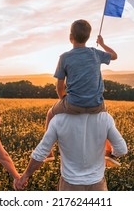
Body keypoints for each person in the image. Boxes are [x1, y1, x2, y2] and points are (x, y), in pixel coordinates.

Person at [44, 19, 118, 161]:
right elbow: (114, 56)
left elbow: (60, 86)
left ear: (71, 37)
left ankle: (48, 151)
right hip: (96, 104)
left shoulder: (64, 57)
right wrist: (102, 43)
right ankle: (109, 151)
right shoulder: (95, 53)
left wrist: (63, 100)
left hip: (73, 104)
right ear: (88, 37)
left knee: (50, 114)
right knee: (105, 119)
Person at [15, 111, 127, 191]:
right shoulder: (105, 117)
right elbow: (121, 149)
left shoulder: (58, 119)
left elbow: (41, 153)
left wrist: (25, 176)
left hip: (70, 185)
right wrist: (108, 156)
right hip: (97, 185)